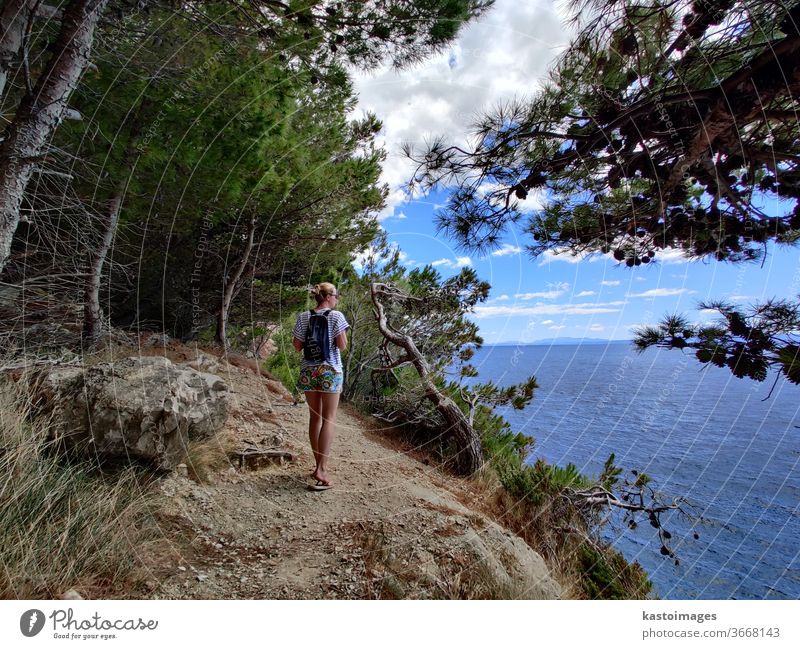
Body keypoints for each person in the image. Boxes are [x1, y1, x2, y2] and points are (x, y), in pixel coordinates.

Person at [292, 282, 349, 490]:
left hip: (308, 372)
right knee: (329, 418)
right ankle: (321, 469)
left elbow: (297, 346)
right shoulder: (336, 316)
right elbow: (342, 346)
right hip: (330, 371)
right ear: (327, 297)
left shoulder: (303, 317)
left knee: (314, 418)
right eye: (336, 295)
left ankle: (318, 465)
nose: (337, 298)